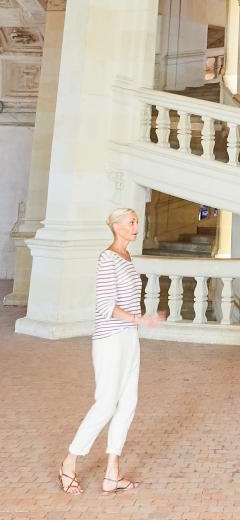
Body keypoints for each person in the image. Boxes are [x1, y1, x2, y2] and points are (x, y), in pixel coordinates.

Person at [57, 208, 164, 495]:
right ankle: (68, 464)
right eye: (131, 222)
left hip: (130, 340)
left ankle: (112, 473)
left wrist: (138, 324)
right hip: (110, 341)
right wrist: (142, 319)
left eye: (137, 222)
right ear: (116, 227)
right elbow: (106, 308)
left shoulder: (127, 259)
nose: (136, 226)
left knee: (128, 404)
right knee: (106, 404)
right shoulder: (107, 259)